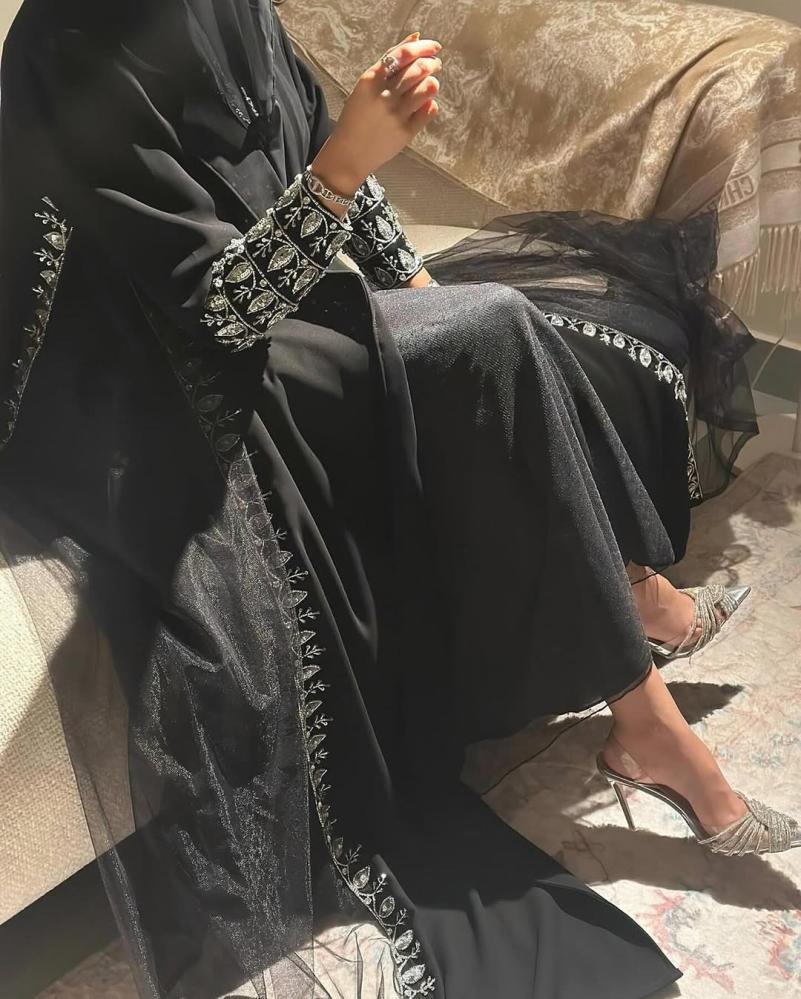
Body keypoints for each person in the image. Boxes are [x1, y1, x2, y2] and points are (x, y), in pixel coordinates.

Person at [0, 3, 796, 998]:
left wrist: (416, 286)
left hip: (268, 316)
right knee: (493, 327)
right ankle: (648, 697)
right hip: (147, 385)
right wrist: (344, 166)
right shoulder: (72, 45)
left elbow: (327, 161)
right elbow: (220, 307)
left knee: (496, 330)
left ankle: (640, 660)